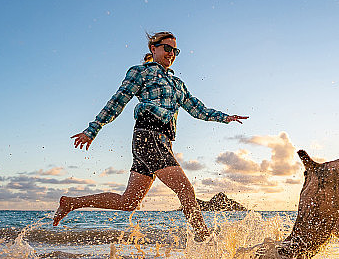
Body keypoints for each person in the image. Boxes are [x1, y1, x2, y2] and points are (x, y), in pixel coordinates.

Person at [52, 31, 248, 240]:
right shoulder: (141, 73)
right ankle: (206, 243)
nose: (171, 54)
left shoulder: (177, 83)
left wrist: (225, 117)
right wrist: (92, 130)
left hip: (163, 141)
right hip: (148, 136)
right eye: (167, 48)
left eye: (175, 51)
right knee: (186, 191)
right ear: (153, 49)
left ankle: (72, 203)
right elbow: (117, 102)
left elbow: (196, 108)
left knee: (128, 202)